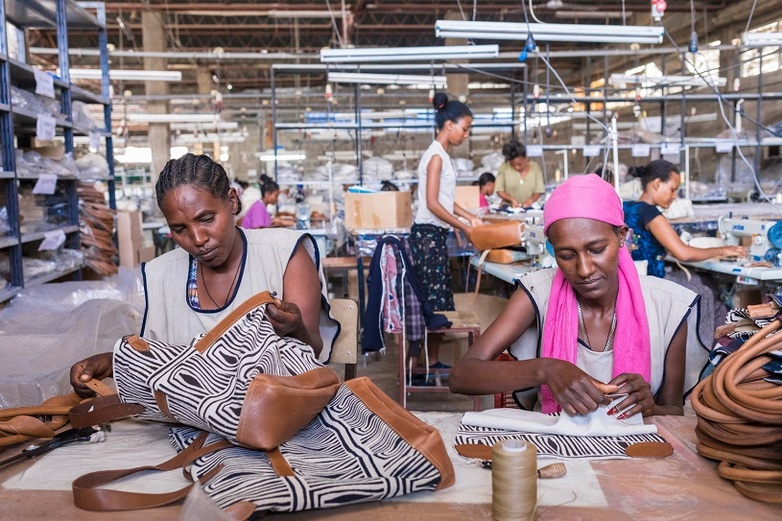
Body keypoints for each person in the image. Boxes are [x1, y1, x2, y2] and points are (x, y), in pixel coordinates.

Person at [70, 153, 338, 397]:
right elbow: (161, 364)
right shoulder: (161, 274)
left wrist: (296, 329)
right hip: (194, 417)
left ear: (232, 202)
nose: (197, 239)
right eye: (179, 229)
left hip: (276, 409)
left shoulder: (284, 253)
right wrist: (113, 362)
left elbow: (312, 349)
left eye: (207, 219)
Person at [450, 174, 708, 418]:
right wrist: (546, 369)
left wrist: (650, 408)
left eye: (596, 250)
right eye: (566, 255)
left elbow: (673, 410)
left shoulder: (666, 307)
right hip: (555, 454)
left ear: (621, 236)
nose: (584, 270)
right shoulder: (538, 293)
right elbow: (461, 375)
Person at [623, 159, 746, 346]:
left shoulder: (628, 207)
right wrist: (723, 250)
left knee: (703, 281)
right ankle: (708, 348)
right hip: (652, 280)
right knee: (705, 291)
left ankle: (719, 344)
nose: (674, 196)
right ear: (656, 184)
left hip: (636, 278)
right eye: (672, 189)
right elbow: (684, 254)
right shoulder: (650, 214)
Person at [410, 92, 482, 370]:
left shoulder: (440, 155)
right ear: (449, 125)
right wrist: (463, 226)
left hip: (433, 234)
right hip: (428, 236)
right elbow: (431, 203)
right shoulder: (437, 157)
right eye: (465, 129)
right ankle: (419, 365)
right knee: (433, 300)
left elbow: (444, 198)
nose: (466, 135)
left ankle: (429, 361)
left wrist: (467, 215)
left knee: (437, 298)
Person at [495, 140, 545, 208]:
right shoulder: (504, 167)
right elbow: (499, 190)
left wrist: (530, 201)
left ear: (525, 158)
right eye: (513, 165)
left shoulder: (535, 167)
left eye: (520, 164)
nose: (517, 167)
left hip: (531, 207)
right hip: (510, 208)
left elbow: (539, 190)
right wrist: (512, 200)